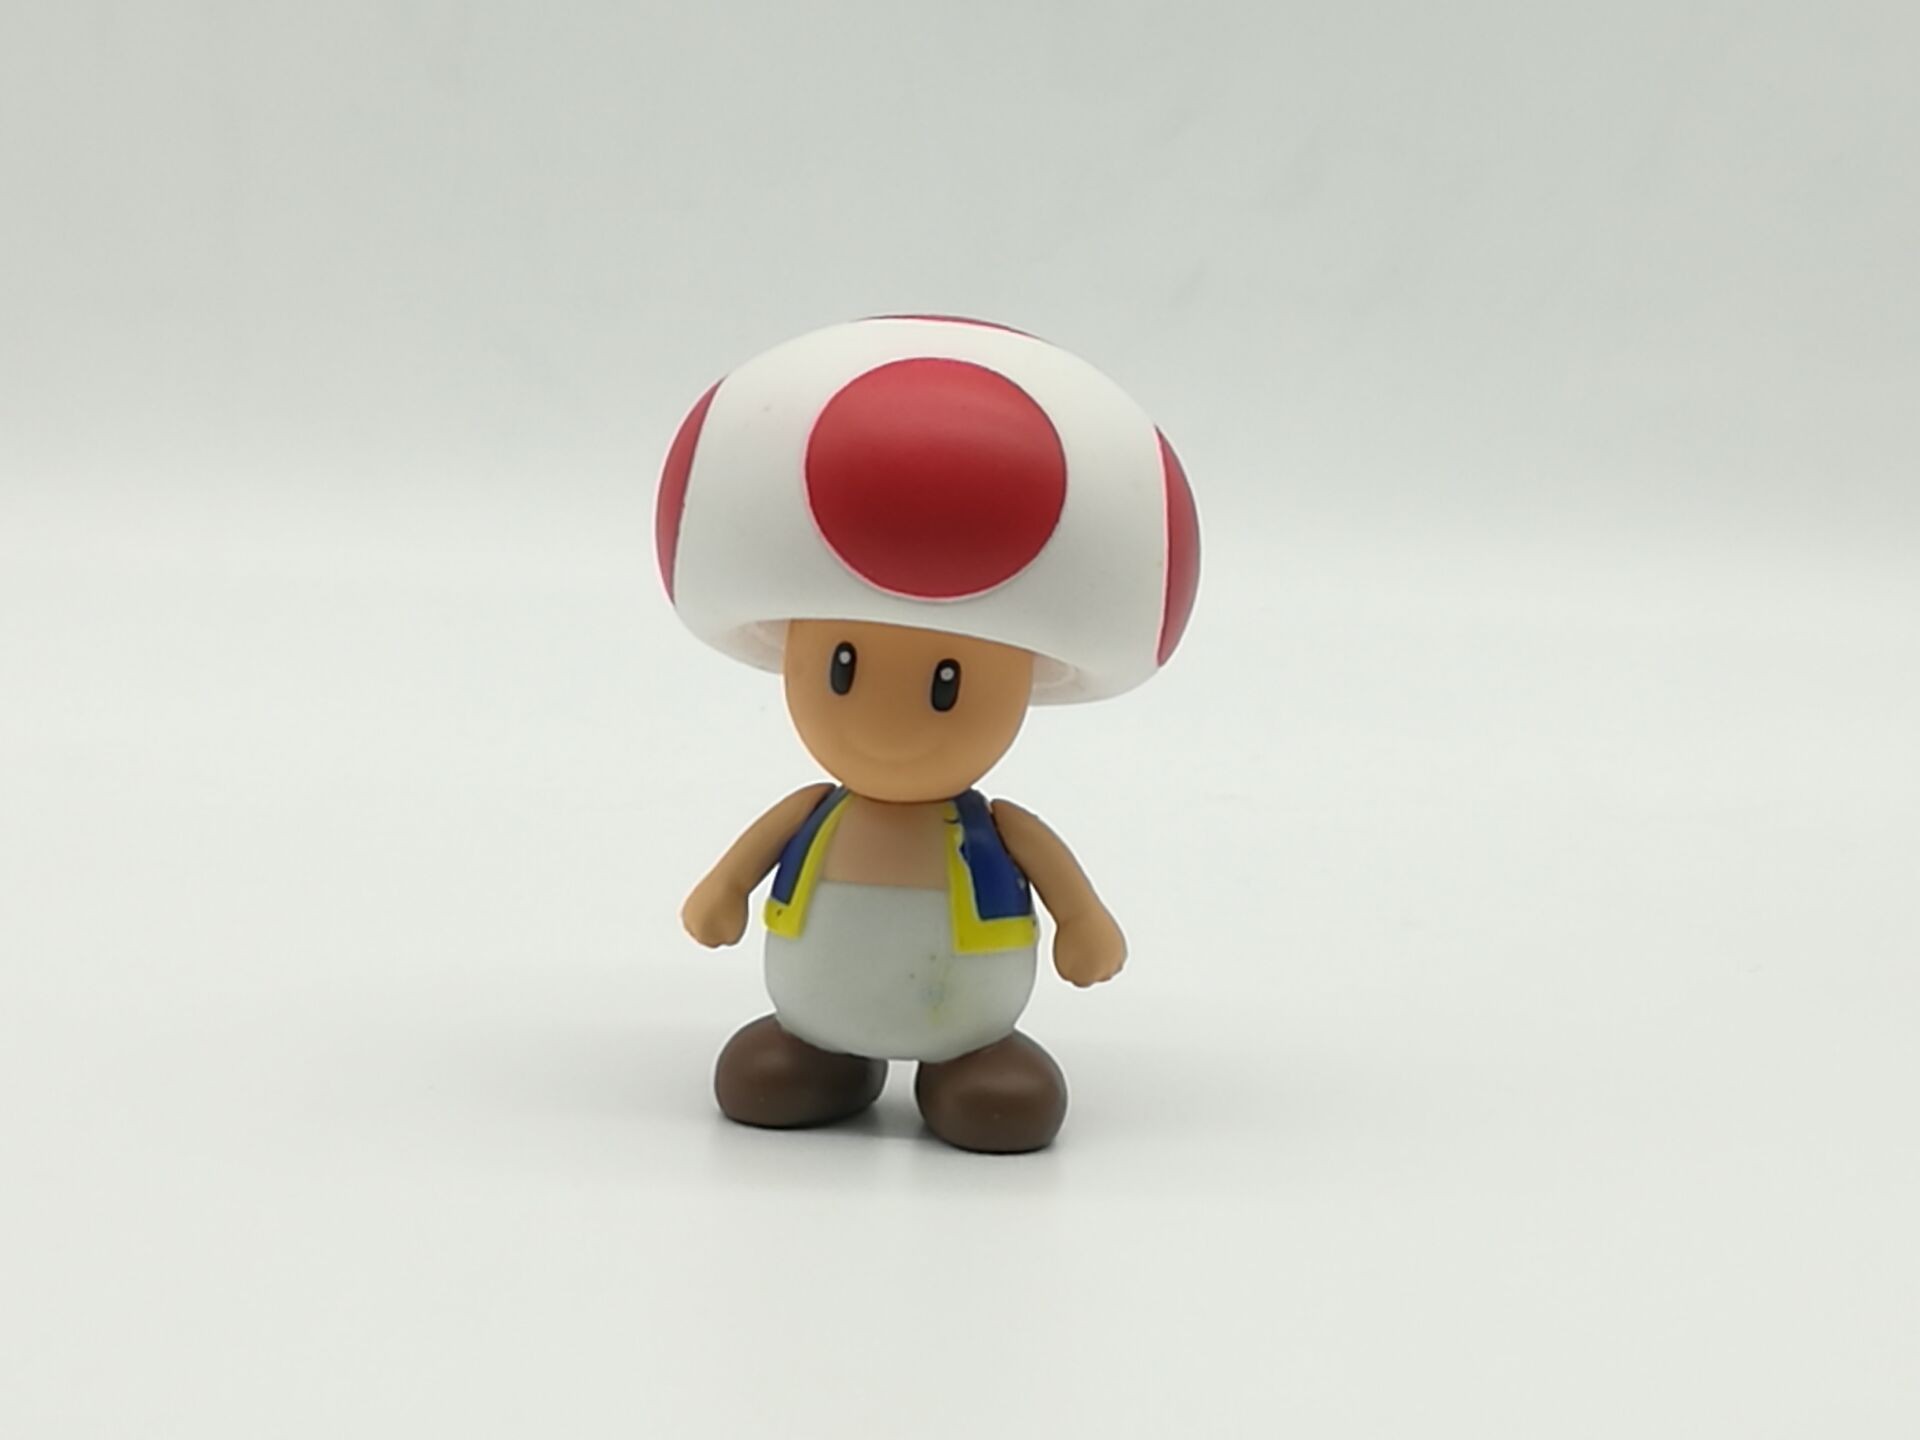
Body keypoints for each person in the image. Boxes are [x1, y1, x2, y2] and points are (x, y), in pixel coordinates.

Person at [657, 316, 1199, 1152]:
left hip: (967, 1017)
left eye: (947, 684)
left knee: (1001, 1104)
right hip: (816, 1005)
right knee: (764, 1079)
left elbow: (1058, 880)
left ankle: (964, 1062)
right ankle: (824, 1053)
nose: (887, 724)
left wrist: (1084, 922)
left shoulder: (999, 829)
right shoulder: (811, 811)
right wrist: (722, 890)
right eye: (842, 667)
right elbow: (743, 865)